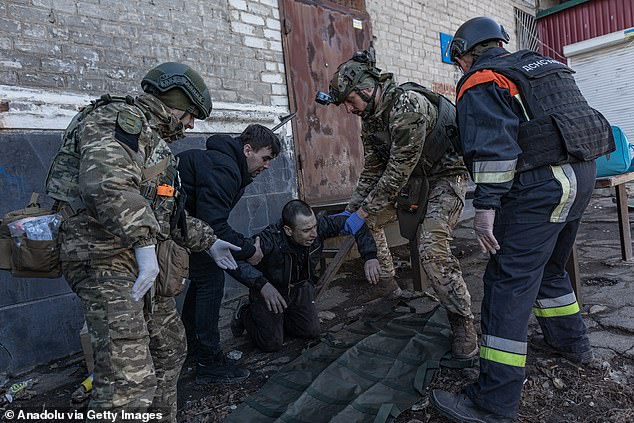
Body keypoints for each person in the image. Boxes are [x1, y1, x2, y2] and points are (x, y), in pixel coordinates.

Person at [430, 17, 615, 423]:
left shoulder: (482, 80)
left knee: (507, 283)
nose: (460, 68)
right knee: (550, 269)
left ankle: (493, 402)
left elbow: (493, 151)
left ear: (464, 51)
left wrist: (485, 209)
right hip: (582, 177)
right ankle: (572, 345)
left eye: (458, 60)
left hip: (542, 184)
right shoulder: (540, 66)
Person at [45, 62, 240, 423]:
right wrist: (145, 248)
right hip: (103, 259)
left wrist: (208, 241)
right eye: (191, 114)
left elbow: (163, 213)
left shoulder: (151, 141)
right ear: (175, 100)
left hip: (135, 260)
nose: (190, 125)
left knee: (169, 349)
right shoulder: (119, 120)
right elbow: (107, 184)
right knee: (127, 384)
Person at [319, 50, 478, 359]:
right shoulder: (371, 120)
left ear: (367, 89)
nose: (349, 110)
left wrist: (363, 211)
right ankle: (390, 291)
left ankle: (462, 322)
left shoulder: (407, 105)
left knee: (432, 249)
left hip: (446, 177)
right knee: (370, 222)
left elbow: (395, 173)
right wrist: (352, 210)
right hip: (416, 181)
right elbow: (373, 171)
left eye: (350, 101)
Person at [177, 124, 281, 384]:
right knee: (211, 282)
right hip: (171, 227)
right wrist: (250, 249)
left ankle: (195, 349)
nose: (267, 166)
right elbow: (215, 226)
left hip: (185, 226)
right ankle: (209, 363)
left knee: (205, 279)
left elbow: (209, 223)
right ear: (247, 150)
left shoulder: (227, 164)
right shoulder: (225, 169)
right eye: (265, 158)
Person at [228, 199, 380, 352]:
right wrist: (262, 285)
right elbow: (232, 259)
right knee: (271, 343)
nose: (314, 234)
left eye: (314, 226)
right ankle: (245, 312)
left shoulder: (319, 227)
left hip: (300, 288)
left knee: (311, 332)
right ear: (288, 230)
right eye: (306, 230)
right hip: (271, 290)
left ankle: (281, 317)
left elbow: (355, 222)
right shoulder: (269, 239)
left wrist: (370, 256)